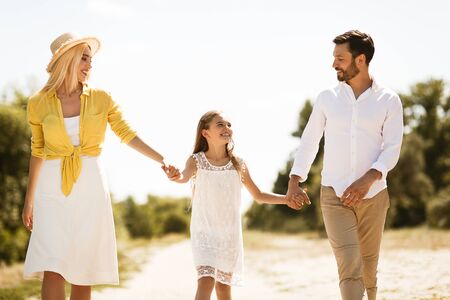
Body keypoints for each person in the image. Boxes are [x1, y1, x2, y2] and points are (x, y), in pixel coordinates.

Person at [21, 32, 170, 300]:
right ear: (67, 60)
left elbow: (126, 133)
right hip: (51, 188)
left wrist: (161, 159)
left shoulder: (102, 97)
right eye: (84, 59)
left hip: (90, 184)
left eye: (91, 60)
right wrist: (29, 200)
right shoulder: (38, 103)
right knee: (52, 265)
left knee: (83, 267)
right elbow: (37, 151)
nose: (90, 65)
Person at [286, 30, 403, 300]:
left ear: (360, 60)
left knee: (369, 267)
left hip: (374, 196)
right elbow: (309, 141)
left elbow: (392, 148)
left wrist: (368, 179)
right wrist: (295, 180)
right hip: (334, 195)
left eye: (340, 58)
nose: (334, 64)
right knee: (350, 264)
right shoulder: (327, 98)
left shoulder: (388, 100)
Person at [164, 111, 302, 300]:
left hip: (229, 234)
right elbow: (183, 176)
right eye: (220, 124)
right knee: (205, 281)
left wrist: (286, 199)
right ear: (205, 133)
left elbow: (259, 195)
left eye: (229, 124)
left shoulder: (238, 164)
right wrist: (175, 175)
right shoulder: (196, 160)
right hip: (204, 231)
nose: (227, 128)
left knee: (223, 288)